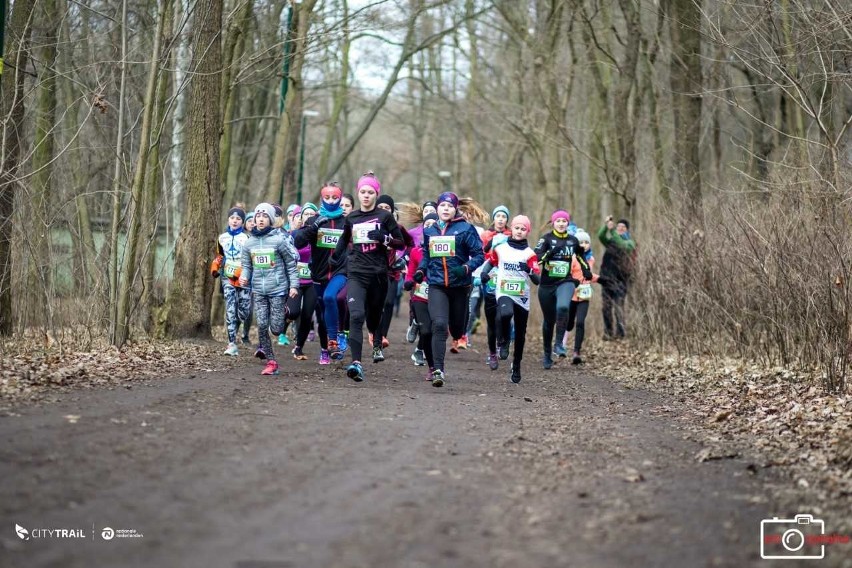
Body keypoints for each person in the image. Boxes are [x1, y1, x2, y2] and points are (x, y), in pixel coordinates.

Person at [331, 172, 405, 382]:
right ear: (358, 192)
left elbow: (400, 243)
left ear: (376, 194)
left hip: (378, 275)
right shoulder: (352, 217)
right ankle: (356, 363)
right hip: (356, 274)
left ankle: (377, 340)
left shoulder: (385, 217)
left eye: (370, 192)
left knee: (374, 318)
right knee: (355, 316)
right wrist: (335, 258)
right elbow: (344, 240)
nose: (366, 196)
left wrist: (385, 238)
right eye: (363, 192)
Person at [413, 192, 484, 387]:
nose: (446, 209)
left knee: (457, 329)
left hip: (459, 287)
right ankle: (438, 369)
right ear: (437, 208)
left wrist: (466, 268)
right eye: (442, 205)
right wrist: (420, 270)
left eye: (450, 206)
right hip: (436, 286)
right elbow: (427, 255)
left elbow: (479, 255)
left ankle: (460, 328)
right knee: (438, 325)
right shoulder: (430, 231)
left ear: (455, 210)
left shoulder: (465, 229)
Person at [238, 203, 300, 376]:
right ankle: (271, 362)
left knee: (277, 329)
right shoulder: (249, 244)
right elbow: (247, 266)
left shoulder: (279, 240)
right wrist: (244, 276)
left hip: (278, 289)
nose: (260, 219)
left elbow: (290, 264)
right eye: (258, 216)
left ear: (271, 220)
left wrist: (294, 285)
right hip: (258, 290)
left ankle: (285, 311)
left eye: (265, 216)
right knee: (262, 325)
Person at [481, 215, 540, 383]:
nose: (519, 231)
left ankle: (517, 364)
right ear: (511, 229)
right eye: (517, 228)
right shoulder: (501, 248)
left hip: (522, 297)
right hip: (504, 291)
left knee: (521, 335)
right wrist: (485, 273)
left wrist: (528, 270)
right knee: (505, 313)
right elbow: (491, 262)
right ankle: (504, 341)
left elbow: (537, 279)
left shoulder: (530, 254)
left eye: (523, 229)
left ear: (527, 232)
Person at [293, 184, 349, 362]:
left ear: (340, 198)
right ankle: (328, 347)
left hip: (340, 271)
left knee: (331, 297)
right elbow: (298, 242)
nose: (331, 201)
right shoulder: (314, 221)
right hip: (318, 274)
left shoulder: (346, 221)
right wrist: (314, 227)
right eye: (327, 198)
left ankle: (335, 339)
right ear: (322, 198)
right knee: (324, 315)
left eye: (335, 198)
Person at [535, 209, 583, 368]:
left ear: (568, 223)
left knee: (563, 307)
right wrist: (548, 254)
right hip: (547, 285)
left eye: (564, 221)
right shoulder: (546, 239)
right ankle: (547, 354)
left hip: (565, 281)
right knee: (549, 322)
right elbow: (536, 258)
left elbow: (582, 258)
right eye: (558, 221)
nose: (561, 223)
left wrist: (585, 273)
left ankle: (559, 344)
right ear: (553, 223)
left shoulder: (573, 240)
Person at [211, 207, 251, 356]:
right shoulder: (222, 238)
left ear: (242, 222)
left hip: (243, 278)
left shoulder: (247, 239)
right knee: (230, 309)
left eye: (238, 219)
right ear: (228, 219)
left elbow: (251, 259)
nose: (235, 221)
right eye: (232, 218)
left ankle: (240, 322)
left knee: (244, 312)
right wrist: (215, 267)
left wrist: (246, 273)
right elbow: (220, 256)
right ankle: (231, 344)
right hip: (227, 276)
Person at [376, 194, 414, 349]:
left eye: (387, 208)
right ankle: (375, 333)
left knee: (389, 302)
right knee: (376, 304)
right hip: (373, 271)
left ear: (392, 211)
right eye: (381, 207)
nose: (384, 210)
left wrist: (404, 259)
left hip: (392, 272)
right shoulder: (369, 225)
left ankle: (382, 336)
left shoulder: (397, 228)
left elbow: (410, 243)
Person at [403, 213, 438, 372]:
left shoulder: (444, 250)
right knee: (426, 330)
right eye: (427, 224)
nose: (430, 227)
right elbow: (410, 273)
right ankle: (432, 367)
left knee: (436, 330)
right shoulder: (416, 252)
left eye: (434, 224)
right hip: (420, 296)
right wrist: (408, 282)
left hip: (439, 295)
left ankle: (424, 354)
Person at [480, 205, 512, 369]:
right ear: (494, 218)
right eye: (498, 216)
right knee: (491, 320)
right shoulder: (486, 235)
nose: (500, 219)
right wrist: (490, 243)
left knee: (504, 315)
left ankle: (503, 341)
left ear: (507, 219)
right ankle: (492, 353)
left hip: (507, 279)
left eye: (503, 216)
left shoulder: (512, 235)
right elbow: (480, 254)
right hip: (489, 278)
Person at [598, 216, 636, 340]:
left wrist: (613, 230)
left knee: (618, 307)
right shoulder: (611, 241)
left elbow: (621, 244)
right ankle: (608, 333)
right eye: (618, 226)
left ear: (627, 230)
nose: (620, 229)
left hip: (621, 280)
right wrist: (606, 225)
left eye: (623, 227)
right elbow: (601, 236)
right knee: (606, 307)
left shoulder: (629, 243)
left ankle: (621, 334)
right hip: (606, 278)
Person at [566, 229, 601, 364]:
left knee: (580, 322)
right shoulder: (572, 258)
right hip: (571, 295)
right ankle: (566, 329)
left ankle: (576, 352)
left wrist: (601, 280)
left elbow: (589, 276)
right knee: (569, 323)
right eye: (581, 242)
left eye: (587, 242)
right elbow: (567, 274)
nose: (584, 245)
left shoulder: (591, 259)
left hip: (584, 295)